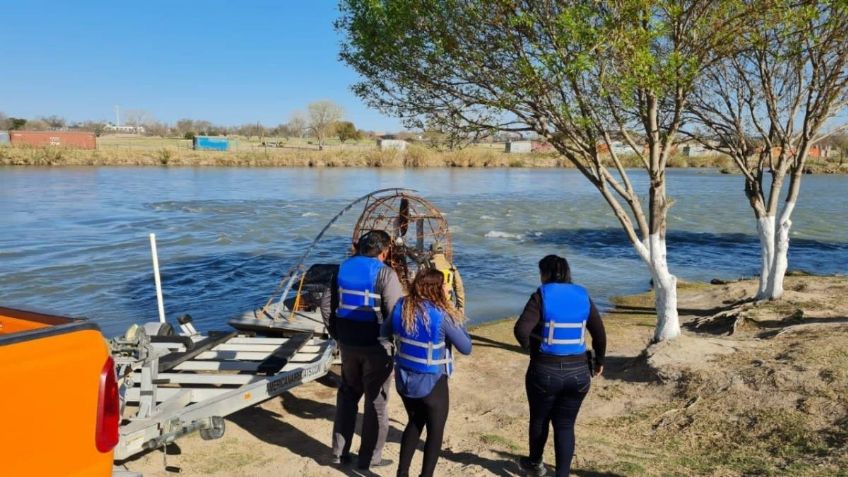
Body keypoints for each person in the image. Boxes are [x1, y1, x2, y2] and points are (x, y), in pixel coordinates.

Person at [513, 254, 606, 477]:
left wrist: (533, 347)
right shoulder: (583, 295)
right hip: (579, 373)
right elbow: (600, 334)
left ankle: (535, 464)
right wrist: (599, 361)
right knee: (565, 426)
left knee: (539, 419)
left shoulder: (541, 295)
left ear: (545, 274)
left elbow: (520, 331)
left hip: (544, 372)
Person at [320, 230, 403, 469]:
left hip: (348, 344)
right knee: (376, 402)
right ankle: (369, 459)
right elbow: (395, 312)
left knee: (347, 396)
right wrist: (395, 345)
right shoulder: (386, 273)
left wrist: (337, 333)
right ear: (384, 250)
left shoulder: (342, 268)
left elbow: (326, 305)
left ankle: (339, 453)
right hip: (376, 346)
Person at [382, 268, 472, 477]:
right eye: (444, 286)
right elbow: (466, 347)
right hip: (433, 383)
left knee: (414, 422)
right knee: (435, 431)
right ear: (437, 289)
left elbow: (383, 332)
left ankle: (402, 473)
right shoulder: (442, 314)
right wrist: (455, 312)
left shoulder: (401, 306)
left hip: (405, 380)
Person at [427, 242, 465, 311]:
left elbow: (418, 287)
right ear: (443, 252)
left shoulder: (426, 266)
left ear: (431, 252)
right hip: (448, 304)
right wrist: (461, 307)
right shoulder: (451, 267)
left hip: (431, 305)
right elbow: (459, 288)